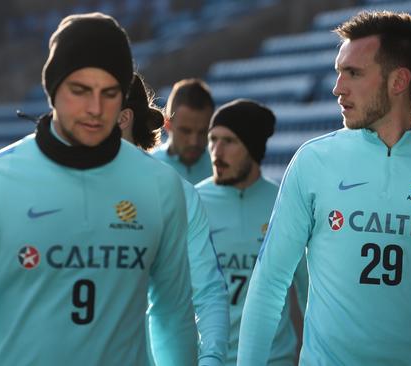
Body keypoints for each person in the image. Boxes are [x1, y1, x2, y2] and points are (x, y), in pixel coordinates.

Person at [0, 13, 197, 366]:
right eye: (80, 91)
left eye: (109, 93)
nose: (95, 109)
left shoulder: (160, 187)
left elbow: (173, 317)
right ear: (52, 89)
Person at [237, 10, 411, 366]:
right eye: (338, 72)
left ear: (398, 81)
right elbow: (269, 282)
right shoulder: (312, 162)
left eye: (353, 73)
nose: (337, 88)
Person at [118, 73, 230, 366]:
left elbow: (208, 292)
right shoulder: (63, 191)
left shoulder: (176, 193)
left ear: (123, 118)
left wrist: (212, 360)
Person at [196, 99, 308, 366]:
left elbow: (308, 294)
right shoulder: (192, 201)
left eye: (229, 141)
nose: (216, 151)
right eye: (213, 139)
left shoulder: (285, 202)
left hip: (274, 360)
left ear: (253, 148)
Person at [152, 78, 215, 184]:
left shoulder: (225, 169)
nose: (194, 141)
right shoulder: (150, 167)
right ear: (167, 125)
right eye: (185, 131)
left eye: (203, 132)